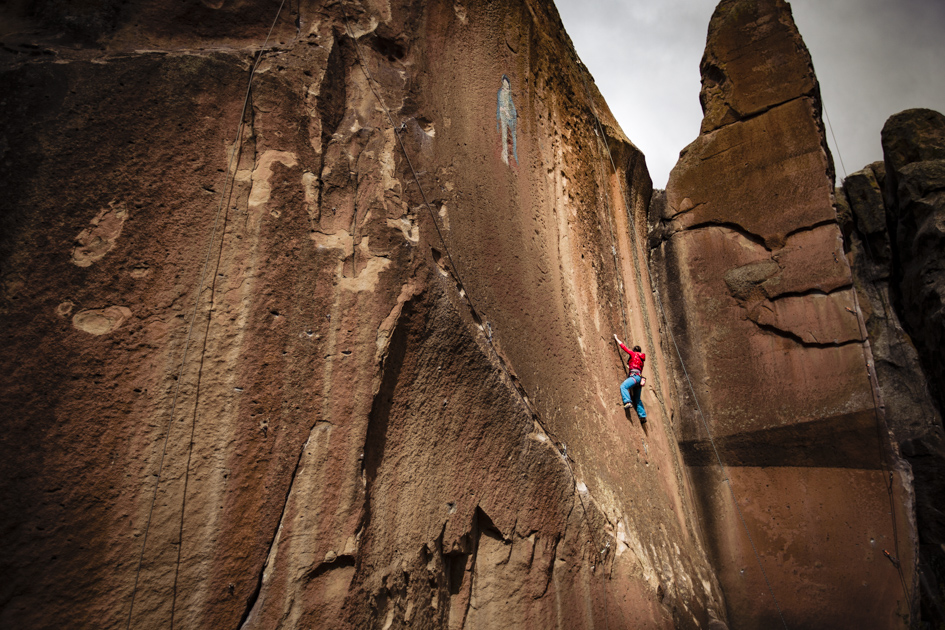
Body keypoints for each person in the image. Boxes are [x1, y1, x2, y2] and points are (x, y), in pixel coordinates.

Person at [614, 333, 646, 422]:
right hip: (638, 378)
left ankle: (627, 401)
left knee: (623, 386)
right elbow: (637, 368)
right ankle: (642, 416)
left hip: (634, 377)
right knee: (637, 398)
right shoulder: (641, 360)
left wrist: (616, 338)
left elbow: (624, 347)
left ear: (635, 350)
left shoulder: (633, 354)